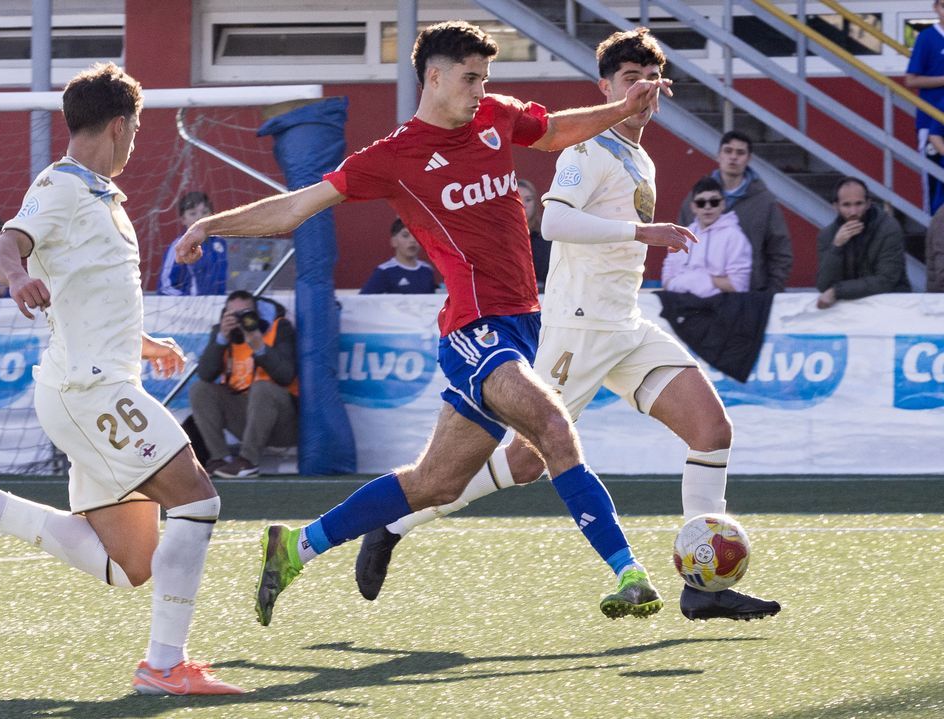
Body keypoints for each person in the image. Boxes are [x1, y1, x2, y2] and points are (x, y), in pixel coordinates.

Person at [178, 20, 690, 627]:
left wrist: (620, 106)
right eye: (470, 78)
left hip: (524, 323)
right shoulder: (393, 157)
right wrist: (209, 226)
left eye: (486, 78)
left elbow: (553, 132)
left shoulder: (495, 116)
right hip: (474, 329)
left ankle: (297, 546)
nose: (481, 89)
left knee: (436, 483)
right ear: (435, 77)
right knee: (552, 426)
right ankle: (629, 573)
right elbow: (296, 207)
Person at [354, 28, 781, 623]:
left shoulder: (640, 155)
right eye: (629, 80)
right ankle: (395, 523)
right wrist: (644, 233)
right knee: (527, 463)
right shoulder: (588, 151)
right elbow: (553, 222)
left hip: (626, 325)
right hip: (576, 329)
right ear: (606, 89)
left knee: (712, 430)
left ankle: (701, 587)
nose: (642, 91)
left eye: (650, 81)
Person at [0, 63, 243, 696]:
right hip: (89, 393)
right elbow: (3, 246)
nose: (136, 142)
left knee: (133, 566)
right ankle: (163, 667)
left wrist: (141, 343)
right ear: (121, 125)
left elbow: (87, 287)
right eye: (138, 128)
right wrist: (15, 278)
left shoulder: (99, 195)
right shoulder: (61, 187)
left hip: (101, 383)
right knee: (198, 499)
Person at [189, 290, 298, 478]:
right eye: (233, 315)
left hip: (283, 422)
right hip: (245, 417)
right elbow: (205, 374)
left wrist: (259, 347)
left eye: (246, 313)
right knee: (200, 389)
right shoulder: (221, 332)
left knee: (262, 387)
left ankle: (248, 461)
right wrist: (222, 337)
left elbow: (286, 376)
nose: (239, 320)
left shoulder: (279, 328)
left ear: (257, 314)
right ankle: (220, 460)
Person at [678, 131, 791, 293]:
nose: (733, 157)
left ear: (748, 159)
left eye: (740, 152)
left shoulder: (765, 202)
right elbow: (679, 244)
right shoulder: (697, 197)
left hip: (749, 295)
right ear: (719, 156)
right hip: (698, 296)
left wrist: (771, 292)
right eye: (728, 151)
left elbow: (780, 251)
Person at [816, 177, 911, 309]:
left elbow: (886, 280)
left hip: (890, 307)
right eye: (846, 205)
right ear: (836, 206)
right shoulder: (828, 235)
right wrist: (836, 247)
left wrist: (837, 291)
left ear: (868, 203)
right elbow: (824, 285)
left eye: (858, 204)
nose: (853, 211)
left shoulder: (888, 228)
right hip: (848, 311)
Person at [662, 177, 752, 297]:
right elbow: (666, 279)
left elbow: (738, 285)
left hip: (717, 308)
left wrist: (702, 280)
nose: (707, 207)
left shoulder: (735, 237)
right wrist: (687, 282)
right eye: (701, 203)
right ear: (693, 207)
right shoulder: (682, 235)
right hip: (680, 305)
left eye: (714, 202)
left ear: (723, 204)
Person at [906, 0, 944, 211]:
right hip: (931, 122)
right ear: (936, 8)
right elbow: (911, 80)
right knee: (933, 181)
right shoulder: (927, 37)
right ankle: (934, 235)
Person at [157, 191, 228, 296]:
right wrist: (187, 301)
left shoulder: (221, 243)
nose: (199, 217)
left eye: (204, 212)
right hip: (188, 307)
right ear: (183, 219)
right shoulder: (178, 246)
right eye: (193, 213)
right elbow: (165, 287)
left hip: (218, 305)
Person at [359, 218, 437, 294]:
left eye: (416, 236)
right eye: (405, 236)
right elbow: (363, 301)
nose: (412, 241)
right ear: (394, 241)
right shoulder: (385, 271)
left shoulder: (427, 270)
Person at [517, 178, 552, 287]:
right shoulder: (502, 239)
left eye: (528, 199)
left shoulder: (546, 236)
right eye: (518, 199)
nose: (524, 205)